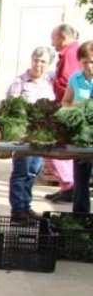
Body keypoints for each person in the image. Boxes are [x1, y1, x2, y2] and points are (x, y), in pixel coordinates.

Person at [6, 46, 56, 222]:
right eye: (36, 60)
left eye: (43, 61)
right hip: (24, 136)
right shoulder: (20, 81)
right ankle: (18, 211)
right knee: (21, 172)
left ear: (49, 64)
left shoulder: (49, 81)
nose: (38, 64)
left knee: (33, 172)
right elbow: (11, 107)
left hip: (41, 136)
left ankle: (26, 207)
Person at [45, 23, 80, 203]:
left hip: (67, 107)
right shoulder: (69, 53)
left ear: (62, 37)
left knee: (54, 148)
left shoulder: (70, 53)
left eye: (54, 38)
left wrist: (64, 104)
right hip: (65, 105)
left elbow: (68, 81)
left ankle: (69, 185)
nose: (52, 43)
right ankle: (67, 186)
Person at [61, 40, 93, 213]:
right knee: (81, 179)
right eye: (85, 61)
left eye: (92, 61)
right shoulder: (75, 78)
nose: (89, 65)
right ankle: (80, 217)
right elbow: (65, 101)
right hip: (81, 136)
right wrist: (74, 109)